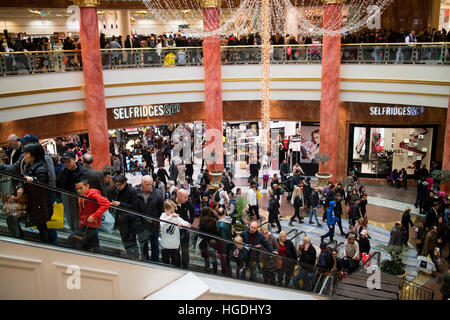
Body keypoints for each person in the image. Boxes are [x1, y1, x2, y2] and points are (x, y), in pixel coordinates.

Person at [70, 179, 110, 253]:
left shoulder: (92, 194)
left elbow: (106, 203)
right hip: (87, 225)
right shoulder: (81, 196)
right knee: (93, 247)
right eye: (77, 189)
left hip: (91, 226)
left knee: (73, 240)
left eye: (80, 188)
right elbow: (81, 211)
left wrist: (94, 216)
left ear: (87, 186)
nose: (78, 191)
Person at [56, 150, 89, 231]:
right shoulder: (63, 172)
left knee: (80, 222)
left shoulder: (83, 172)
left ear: (75, 159)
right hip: (67, 199)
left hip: (79, 200)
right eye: (65, 162)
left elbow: (84, 188)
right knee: (71, 221)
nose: (66, 164)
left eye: (69, 161)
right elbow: (58, 184)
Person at [135, 175, 164, 262]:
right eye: (147, 184)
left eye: (150, 184)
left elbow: (161, 210)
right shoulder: (136, 194)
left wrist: (157, 222)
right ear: (142, 184)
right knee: (143, 245)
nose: (149, 187)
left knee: (155, 244)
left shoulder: (157, 195)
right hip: (141, 225)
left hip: (153, 225)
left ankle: (155, 261)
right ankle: (145, 261)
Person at [112, 175, 139, 259]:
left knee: (132, 240)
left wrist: (120, 204)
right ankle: (128, 254)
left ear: (125, 183)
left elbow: (134, 206)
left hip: (130, 220)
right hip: (121, 219)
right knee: (124, 238)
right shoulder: (117, 190)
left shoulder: (132, 191)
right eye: (117, 185)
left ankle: (135, 256)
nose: (118, 187)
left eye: (120, 185)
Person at [160, 199, 191, 267]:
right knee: (165, 266)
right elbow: (162, 224)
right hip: (165, 246)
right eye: (171, 211)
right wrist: (171, 217)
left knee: (176, 266)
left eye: (173, 211)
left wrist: (182, 224)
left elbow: (187, 224)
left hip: (175, 246)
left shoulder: (176, 217)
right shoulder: (163, 216)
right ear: (165, 210)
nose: (173, 213)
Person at [198, 206, 227, 274]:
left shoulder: (202, 221)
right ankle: (215, 270)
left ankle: (207, 269)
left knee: (206, 257)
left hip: (205, 242)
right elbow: (216, 232)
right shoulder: (214, 221)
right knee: (213, 256)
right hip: (213, 242)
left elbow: (201, 233)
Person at [175, 189, 196, 269]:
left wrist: (190, 222)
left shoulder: (187, 203)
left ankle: (185, 266)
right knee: (176, 248)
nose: (186, 199)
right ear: (179, 196)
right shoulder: (172, 202)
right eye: (185, 197)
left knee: (185, 249)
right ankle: (176, 265)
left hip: (184, 228)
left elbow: (192, 211)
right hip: (175, 229)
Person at [218, 207, 233, 277]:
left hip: (224, 246)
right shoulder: (229, 220)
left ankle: (226, 274)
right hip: (229, 242)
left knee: (225, 260)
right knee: (228, 260)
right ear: (224, 213)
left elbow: (223, 239)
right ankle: (228, 273)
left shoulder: (221, 225)